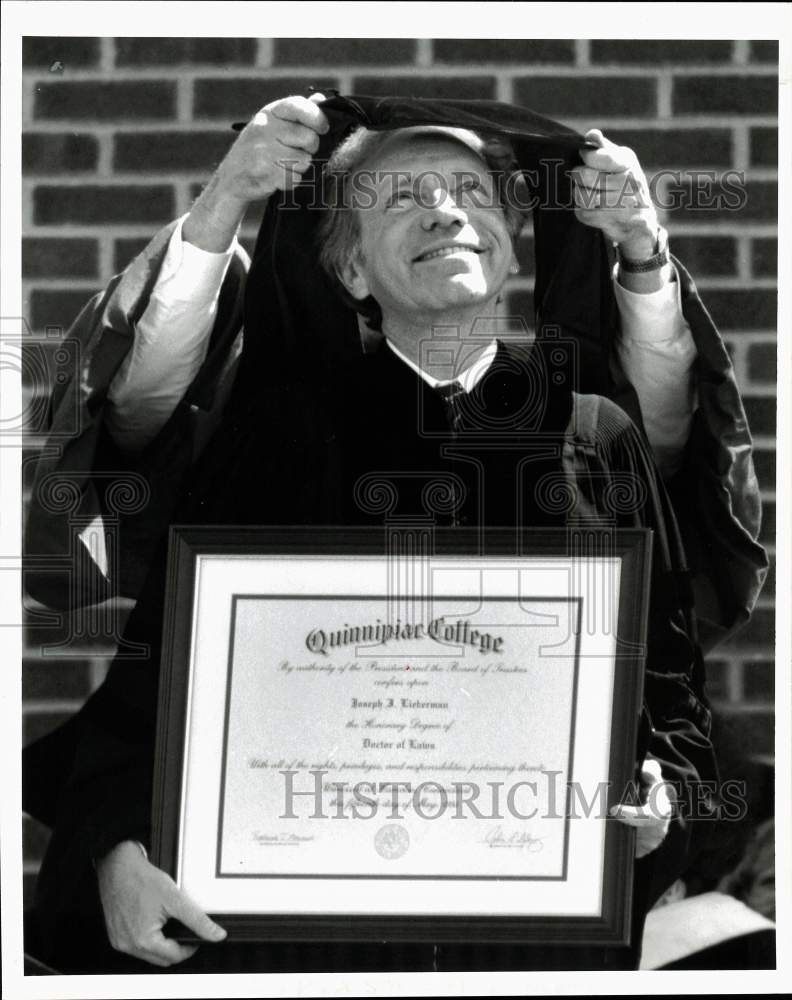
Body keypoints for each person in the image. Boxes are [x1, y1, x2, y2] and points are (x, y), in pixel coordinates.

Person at [23, 92, 767, 974]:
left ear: (510, 245)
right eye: (400, 198)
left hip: (526, 942)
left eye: (469, 193)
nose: (443, 210)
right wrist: (114, 847)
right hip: (302, 947)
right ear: (350, 273)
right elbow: (158, 676)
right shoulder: (279, 431)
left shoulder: (594, 434)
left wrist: (665, 794)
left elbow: (669, 686)